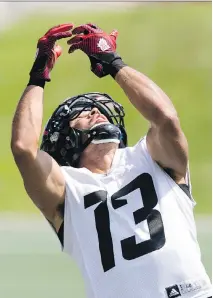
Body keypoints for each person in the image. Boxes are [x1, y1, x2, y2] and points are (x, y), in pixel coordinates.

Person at [11, 23, 212, 298]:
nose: (96, 111)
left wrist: (112, 61)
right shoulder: (66, 189)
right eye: (82, 113)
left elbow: (165, 117)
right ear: (65, 138)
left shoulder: (150, 157)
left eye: (99, 108)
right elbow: (24, 148)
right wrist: (38, 76)